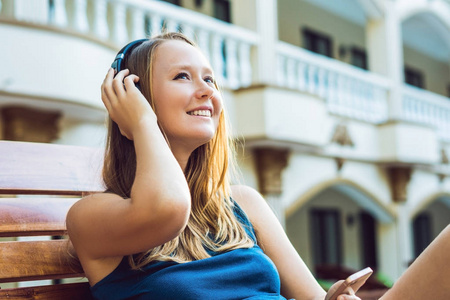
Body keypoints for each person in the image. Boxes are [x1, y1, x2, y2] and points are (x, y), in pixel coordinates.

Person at [66, 32, 450, 300]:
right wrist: (141, 123)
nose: (207, 91)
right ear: (132, 98)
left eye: (210, 80)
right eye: (182, 77)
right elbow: (166, 208)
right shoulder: (92, 217)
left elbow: (316, 297)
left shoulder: (242, 204)